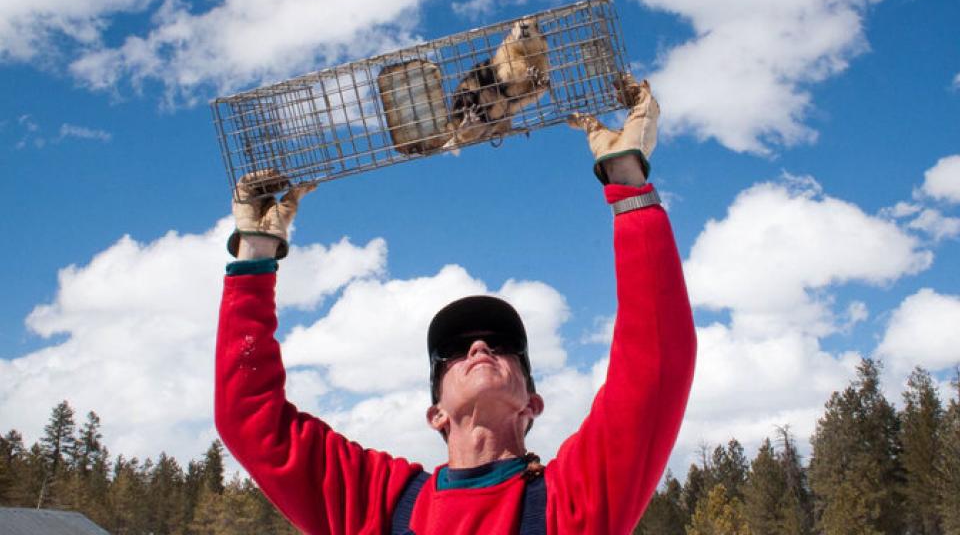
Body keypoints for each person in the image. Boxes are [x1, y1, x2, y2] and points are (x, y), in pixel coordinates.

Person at [215, 74, 696, 534]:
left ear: (533, 404)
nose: (481, 346)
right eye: (455, 350)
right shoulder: (380, 506)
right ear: (436, 414)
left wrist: (628, 183)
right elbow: (250, 420)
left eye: (505, 345)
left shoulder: (574, 501)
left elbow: (655, 363)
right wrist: (255, 252)